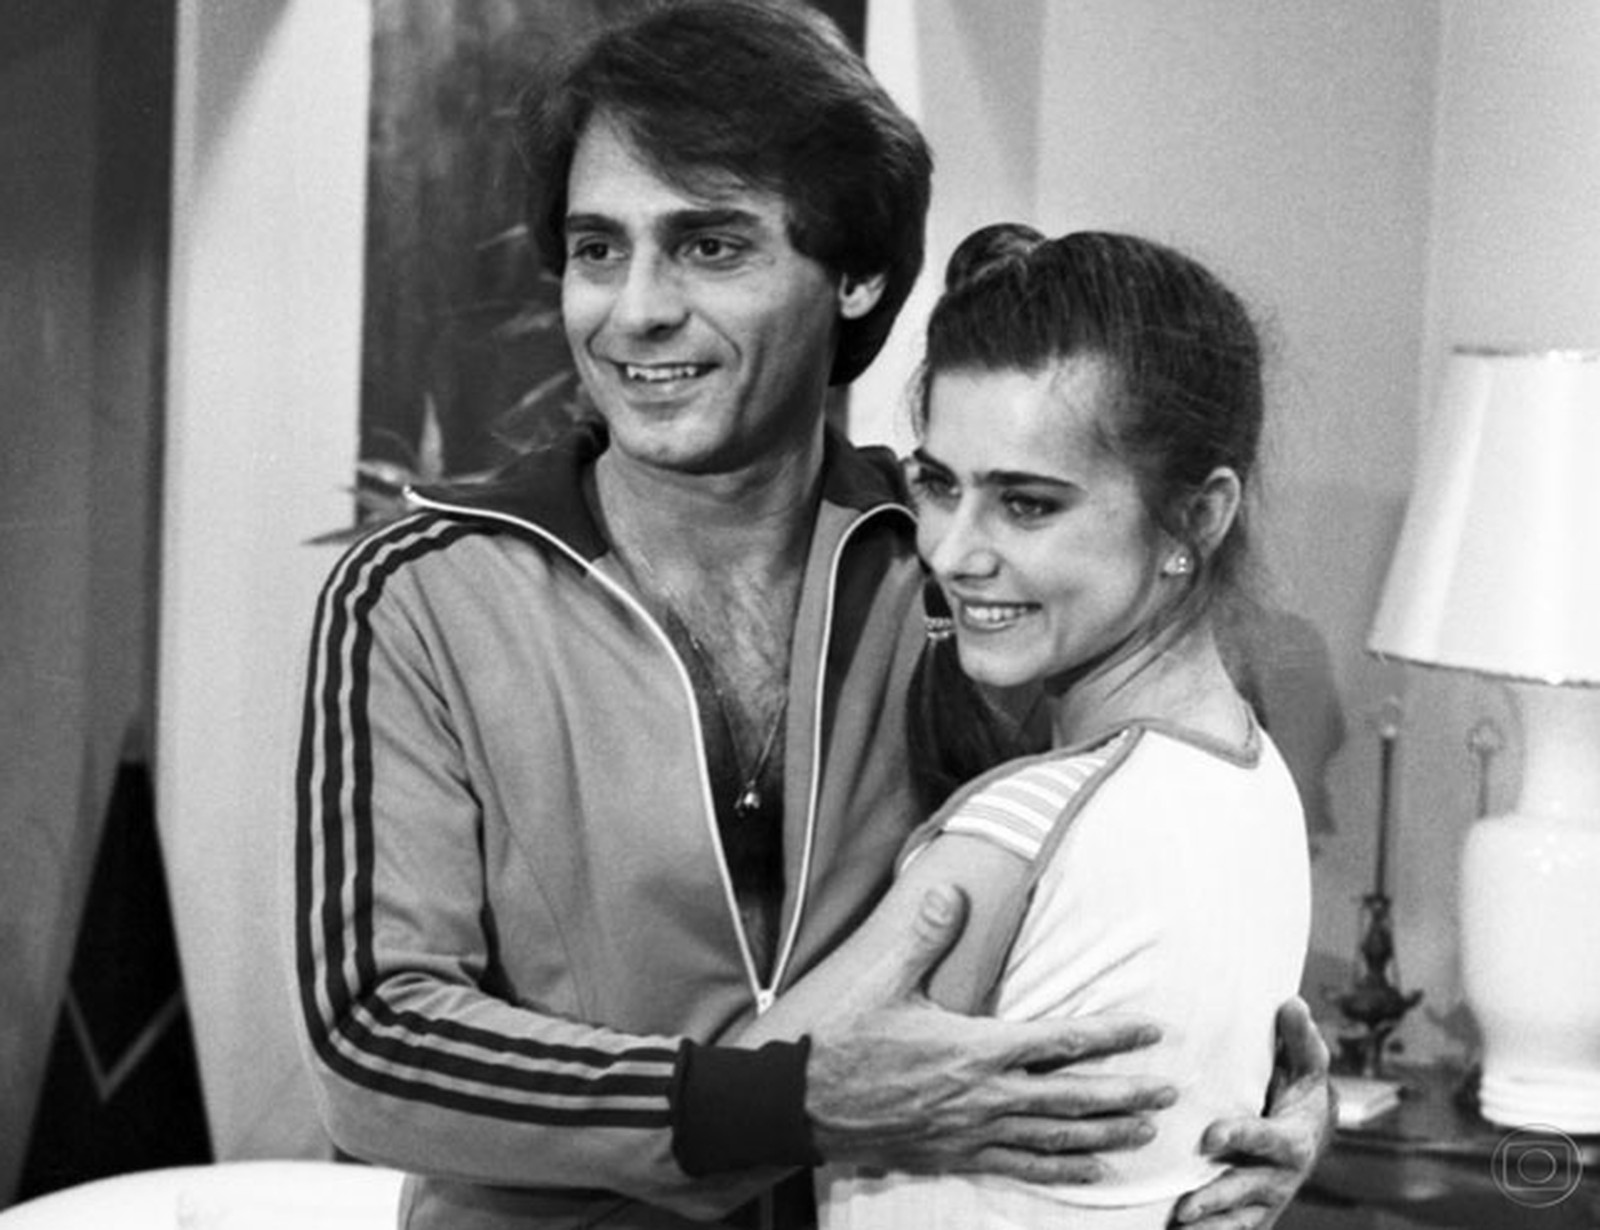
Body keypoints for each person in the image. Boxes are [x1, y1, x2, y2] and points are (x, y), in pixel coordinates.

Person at [292, 4, 1330, 1228]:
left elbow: (1133, 864)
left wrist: (1249, 1102)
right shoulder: (421, 592)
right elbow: (374, 1049)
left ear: (857, 274)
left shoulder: (952, 573)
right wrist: (785, 1102)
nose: (635, 309)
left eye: (709, 245)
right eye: (597, 249)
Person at [736, 225, 1312, 1229]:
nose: (952, 551)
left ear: (1197, 516)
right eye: (938, 485)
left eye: (1027, 505)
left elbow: (718, 1127)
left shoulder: (1026, 825)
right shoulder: (1259, 781)